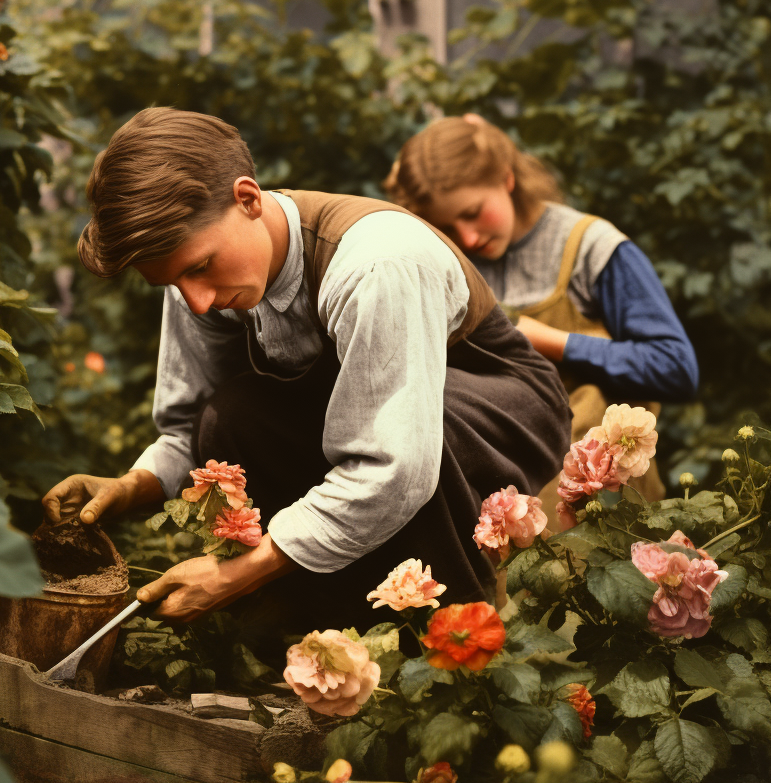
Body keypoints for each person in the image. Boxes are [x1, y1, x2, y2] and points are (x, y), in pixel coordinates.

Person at [43, 108, 571, 631]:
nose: (197, 302)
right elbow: (190, 424)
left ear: (247, 199)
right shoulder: (196, 277)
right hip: (377, 420)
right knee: (231, 415)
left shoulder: (374, 264)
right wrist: (135, 484)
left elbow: (397, 467)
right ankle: (323, 616)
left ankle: (455, 638)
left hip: (497, 405)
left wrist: (240, 573)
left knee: (411, 429)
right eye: (174, 283)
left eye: (200, 268)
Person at [384, 114, 698, 510]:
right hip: (490, 508)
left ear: (506, 178)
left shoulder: (590, 248)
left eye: (473, 211)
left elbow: (675, 367)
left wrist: (551, 341)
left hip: (601, 511)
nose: (468, 237)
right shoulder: (447, 261)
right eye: (448, 225)